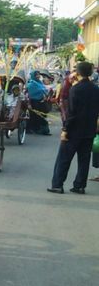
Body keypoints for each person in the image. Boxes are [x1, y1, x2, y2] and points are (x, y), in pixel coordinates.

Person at [48, 62, 99, 194]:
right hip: (89, 130)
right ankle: (80, 186)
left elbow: (72, 113)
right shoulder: (96, 89)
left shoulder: (75, 89)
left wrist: (65, 129)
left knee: (64, 158)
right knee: (84, 160)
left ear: (78, 72)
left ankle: (58, 185)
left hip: (74, 130)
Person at [26, 70, 52, 135]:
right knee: (34, 116)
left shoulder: (39, 82)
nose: (38, 76)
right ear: (33, 76)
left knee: (41, 116)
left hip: (41, 102)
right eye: (36, 75)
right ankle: (33, 129)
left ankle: (42, 130)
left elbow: (44, 90)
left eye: (38, 74)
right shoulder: (31, 84)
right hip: (33, 102)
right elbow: (30, 93)